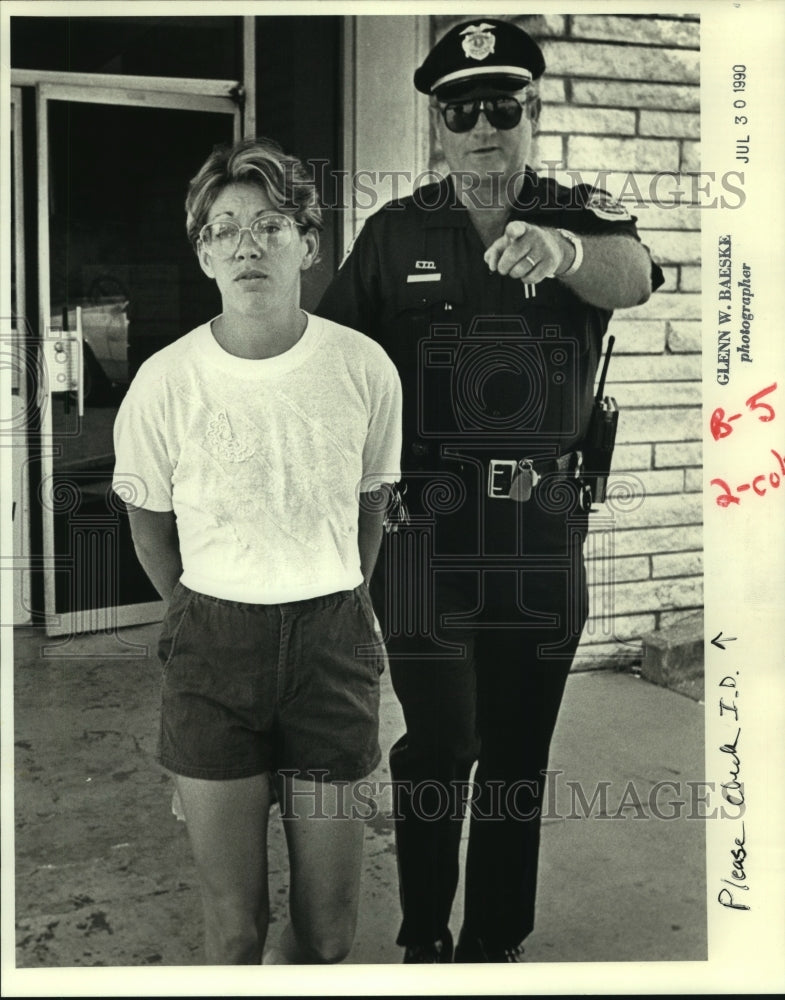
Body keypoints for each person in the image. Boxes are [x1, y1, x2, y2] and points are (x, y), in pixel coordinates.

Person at [317, 18, 664, 963]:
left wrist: (562, 254)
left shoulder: (578, 212)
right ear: (436, 124)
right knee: (442, 740)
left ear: (531, 113)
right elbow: (332, 361)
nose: (482, 126)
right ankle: (424, 932)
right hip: (425, 530)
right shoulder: (393, 233)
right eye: (461, 110)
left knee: (518, 752)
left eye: (501, 107)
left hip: (542, 528)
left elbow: (636, 276)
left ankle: (494, 944)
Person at [112, 137, 402, 965]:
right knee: (237, 931)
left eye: (270, 225)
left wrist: (334, 590)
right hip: (212, 648)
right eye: (223, 227)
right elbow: (148, 521)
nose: (247, 244)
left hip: (331, 646)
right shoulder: (167, 381)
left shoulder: (363, 368)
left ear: (308, 245)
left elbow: (370, 501)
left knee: (329, 932)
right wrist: (201, 608)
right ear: (202, 253)